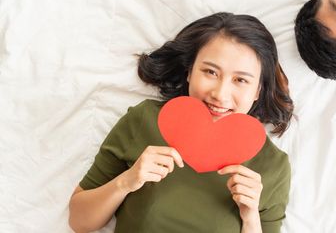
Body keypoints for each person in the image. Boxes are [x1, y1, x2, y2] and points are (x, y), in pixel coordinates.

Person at [68, 13, 294, 233]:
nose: (220, 93)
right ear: (189, 72)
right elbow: (79, 222)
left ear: (258, 90)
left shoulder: (273, 167)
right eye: (210, 72)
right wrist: (126, 182)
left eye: (241, 80)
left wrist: (251, 218)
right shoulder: (144, 120)